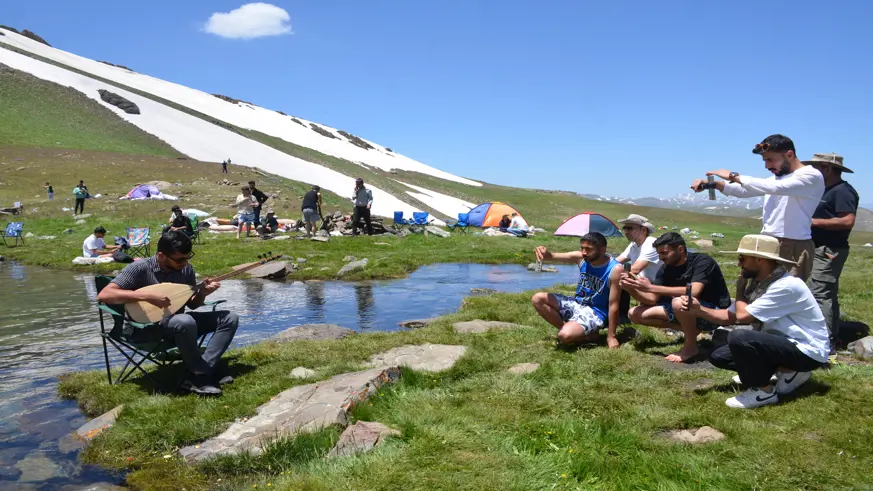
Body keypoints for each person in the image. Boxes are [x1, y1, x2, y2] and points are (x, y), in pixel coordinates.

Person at [681, 234, 830, 409]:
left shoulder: (784, 286)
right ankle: (788, 371)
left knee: (740, 337)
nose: (739, 264)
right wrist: (698, 310)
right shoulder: (761, 284)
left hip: (807, 350)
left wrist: (739, 289)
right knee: (719, 356)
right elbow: (730, 316)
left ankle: (764, 392)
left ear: (760, 260)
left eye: (742, 258)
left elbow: (742, 317)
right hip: (784, 343)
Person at [96, 231, 239, 396]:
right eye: (179, 259)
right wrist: (145, 296)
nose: (185, 263)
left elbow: (192, 305)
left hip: (179, 325)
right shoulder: (140, 268)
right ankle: (203, 376)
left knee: (229, 318)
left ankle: (201, 372)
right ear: (161, 255)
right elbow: (104, 295)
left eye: (187, 258)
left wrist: (201, 294)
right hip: (146, 328)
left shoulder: (186, 270)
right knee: (185, 321)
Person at [691, 134, 824, 280]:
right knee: (757, 290)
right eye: (765, 160)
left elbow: (774, 187)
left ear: (789, 154)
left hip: (793, 244)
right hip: (768, 240)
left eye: (770, 159)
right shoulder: (777, 178)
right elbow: (745, 190)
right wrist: (715, 184)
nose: (767, 166)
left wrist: (733, 176)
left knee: (783, 294)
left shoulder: (810, 175)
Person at [621, 232, 731, 362]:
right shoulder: (666, 268)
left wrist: (650, 287)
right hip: (684, 309)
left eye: (664, 253)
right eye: (659, 253)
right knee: (635, 314)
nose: (660, 257)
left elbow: (693, 292)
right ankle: (692, 330)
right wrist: (631, 288)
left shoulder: (702, 261)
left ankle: (691, 348)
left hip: (713, 312)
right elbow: (651, 299)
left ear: (680, 249)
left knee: (680, 302)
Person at [805, 153, 859, 352]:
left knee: (819, 293)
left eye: (816, 167)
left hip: (829, 249)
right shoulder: (823, 190)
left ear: (827, 168)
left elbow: (847, 221)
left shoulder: (843, 191)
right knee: (825, 292)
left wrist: (812, 222)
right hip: (819, 247)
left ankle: (824, 342)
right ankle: (829, 336)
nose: (812, 171)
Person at [531, 232, 623, 348]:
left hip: (595, 312)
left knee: (564, 336)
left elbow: (613, 304)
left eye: (589, 249)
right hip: (576, 303)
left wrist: (611, 337)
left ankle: (573, 333)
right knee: (538, 299)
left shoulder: (615, 269)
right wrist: (544, 252)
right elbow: (552, 256)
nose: (584, 252)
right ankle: (572, 331)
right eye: (582, 248)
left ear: (602, 250)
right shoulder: (581, 258)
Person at [614, 214, 661, 323]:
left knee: (621, 278)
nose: (626, 231)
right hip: (644, 281)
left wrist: (612, 272)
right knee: (619, 276)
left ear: (643, 230)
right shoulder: (634, 244)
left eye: (629, 228)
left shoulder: (651, 244)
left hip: (655, 285)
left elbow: (635, 269)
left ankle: (622, 316)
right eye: (624, 228)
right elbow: (617, 261)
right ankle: (619, 314)